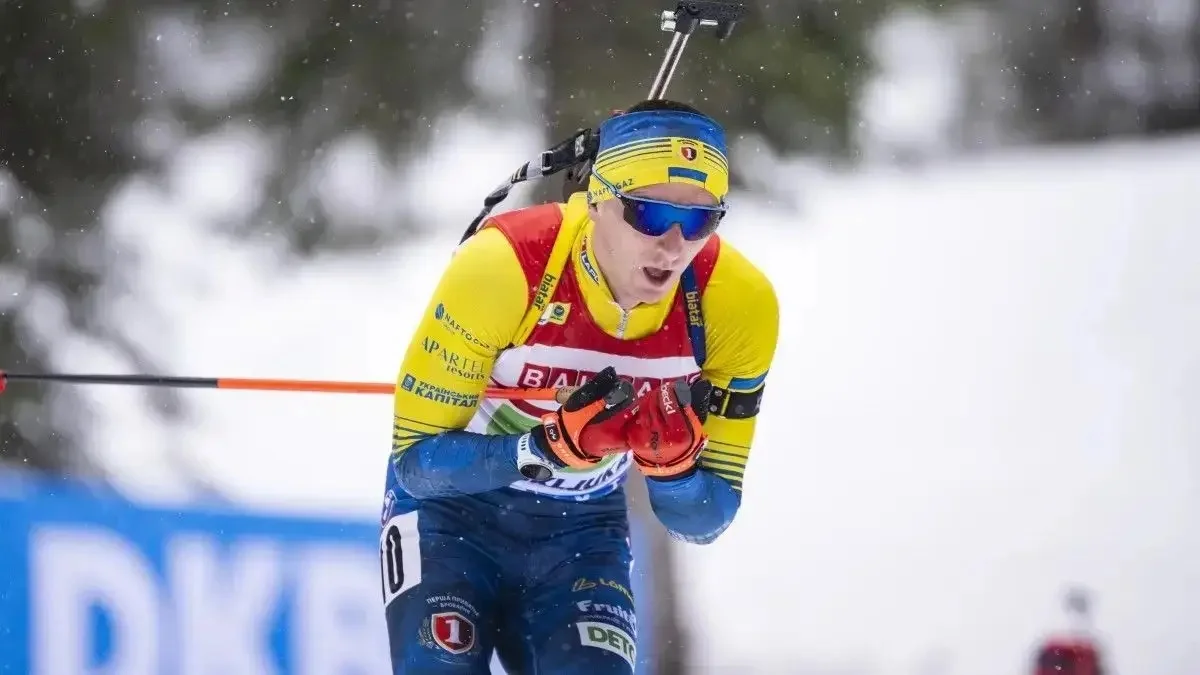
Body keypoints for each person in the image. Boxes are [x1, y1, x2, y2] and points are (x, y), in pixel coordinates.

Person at [379, 98, 779, 673]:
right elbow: (417, 465)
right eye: (649, 214)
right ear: (596, 200)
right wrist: (543, 448)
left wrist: (672, 471)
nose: (673, 246)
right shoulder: (507, 265)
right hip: (450, 517)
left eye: (699, 220)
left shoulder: (736, 303)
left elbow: (706, 518)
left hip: (581, 535)